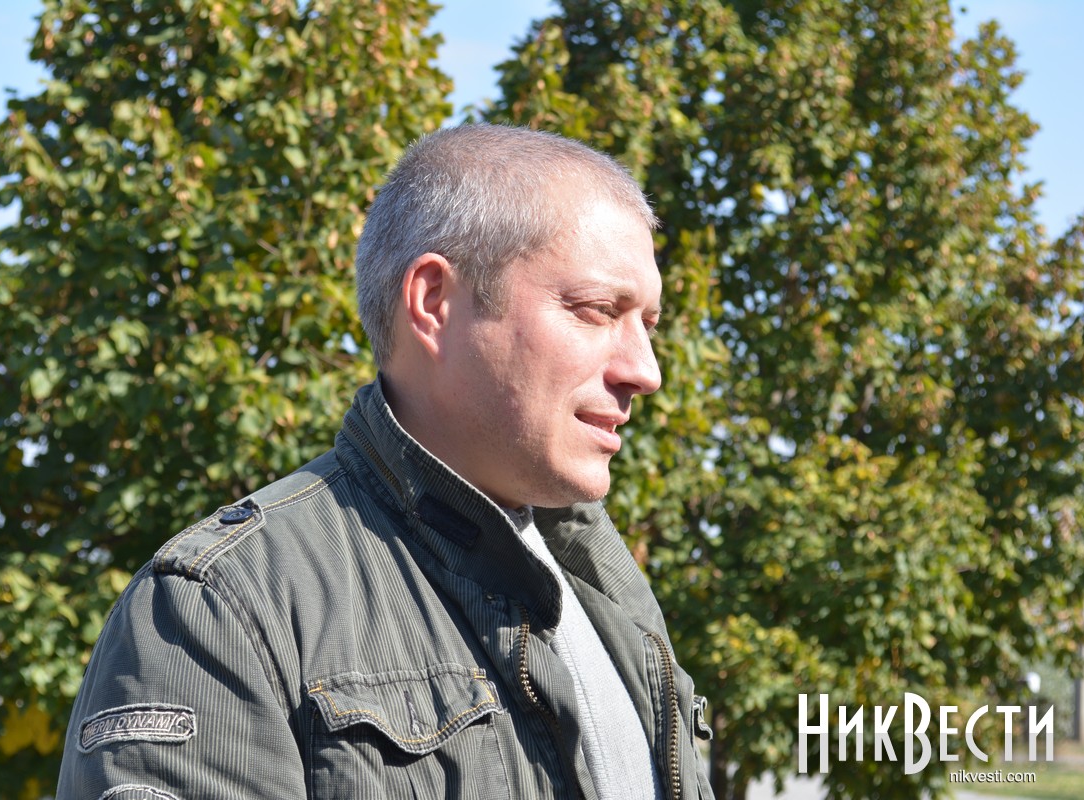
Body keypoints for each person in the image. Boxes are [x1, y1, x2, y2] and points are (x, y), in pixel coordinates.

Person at [56, 124, 715, 800]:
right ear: (434, 302)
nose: (646, 372)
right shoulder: (221, 610)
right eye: (598, 310)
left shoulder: (608, 590)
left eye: (648, 325)